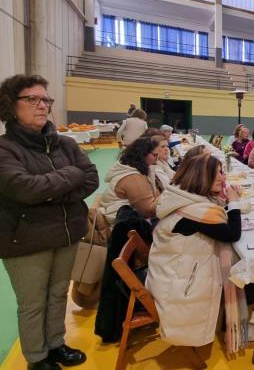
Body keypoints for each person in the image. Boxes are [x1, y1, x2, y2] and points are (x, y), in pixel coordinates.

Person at [0, 74, 99, 370]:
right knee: (33, 303)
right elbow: (25, 188)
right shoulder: (5, 149)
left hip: (66, 233)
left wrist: (47, 191)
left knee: (58, 295)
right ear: (10, 106)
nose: (42, 105)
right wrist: (69, 178)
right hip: (26, 239)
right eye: (32, 99)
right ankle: (37, 358)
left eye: (46, 99)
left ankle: (56, 345)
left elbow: (91, 178)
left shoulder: (65, 144)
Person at [147, 154, 254, 348]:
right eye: (219, 174)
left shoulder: (183, 197)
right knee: (237, 260)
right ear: (202, 178)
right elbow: (232, 234)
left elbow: (218, 224)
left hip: (174, 267)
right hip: (177, 282)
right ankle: (251, 314)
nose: (223, 178)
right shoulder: (192, 212)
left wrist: (226, 201)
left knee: (236, 257)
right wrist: (233, 202)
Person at [100, 137, 161, 224]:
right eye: (155, 155)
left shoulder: (130, 168)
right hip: (124, 225)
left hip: (125, 218)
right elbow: (148, 211)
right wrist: (168, 194)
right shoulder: (133, 178)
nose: (157, 159)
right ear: (142, 155)